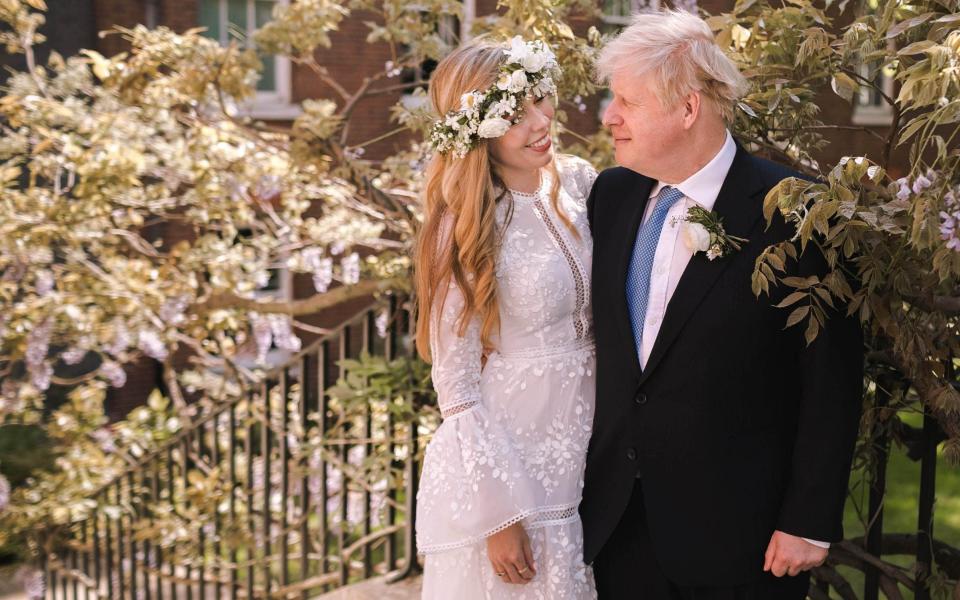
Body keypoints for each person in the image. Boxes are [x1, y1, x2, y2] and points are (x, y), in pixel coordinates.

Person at [579, 9, 864, 600]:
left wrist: (808, 519)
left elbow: (831, 380)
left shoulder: (798, 214)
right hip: (618, 526)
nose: (611, 117)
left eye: (628, 102)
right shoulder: (611, 194)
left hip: (743, 539)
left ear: (688, 109)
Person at [413, 36, 599, 599]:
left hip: (596, 437)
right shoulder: (465, 225)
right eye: (516, 116)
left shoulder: (581, 182)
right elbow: (459, 386)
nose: (542, 121)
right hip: (515, 454)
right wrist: (498, 516)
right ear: (478, 133)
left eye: (541, 100)